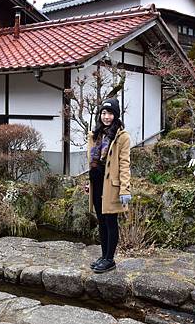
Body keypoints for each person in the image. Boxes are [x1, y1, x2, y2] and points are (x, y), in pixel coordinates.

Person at [85, 98, 131, 273]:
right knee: (101, 222)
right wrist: (89, 182)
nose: (106, 116)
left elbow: (125, 164)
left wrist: (125, 189)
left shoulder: (122, 137)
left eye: (110, 113)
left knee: (111, 222)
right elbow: (91, 162)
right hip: (96, 182)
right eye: (103, 113)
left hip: (112, 185)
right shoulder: (95, 135)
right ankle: (104, 256)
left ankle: (110, 259)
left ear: (116, 115)